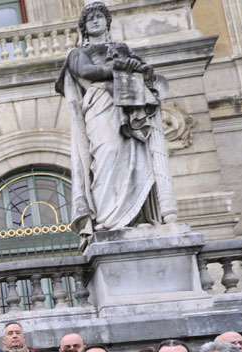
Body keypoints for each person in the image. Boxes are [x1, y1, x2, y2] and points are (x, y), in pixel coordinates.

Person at [56, 2, 177, 235]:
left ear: (106, 22)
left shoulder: (123, 49)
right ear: (84, 26)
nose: (95, 21)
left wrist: (136, 69)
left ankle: (136, 216)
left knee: (137, 158)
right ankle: (108, 217)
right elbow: (87, 72)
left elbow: (145, 72)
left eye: (99, 16)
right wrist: (119, 67)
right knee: (107, 154)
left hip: (127, 103)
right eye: (90, 18)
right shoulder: (77, 53)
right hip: (99, 103)